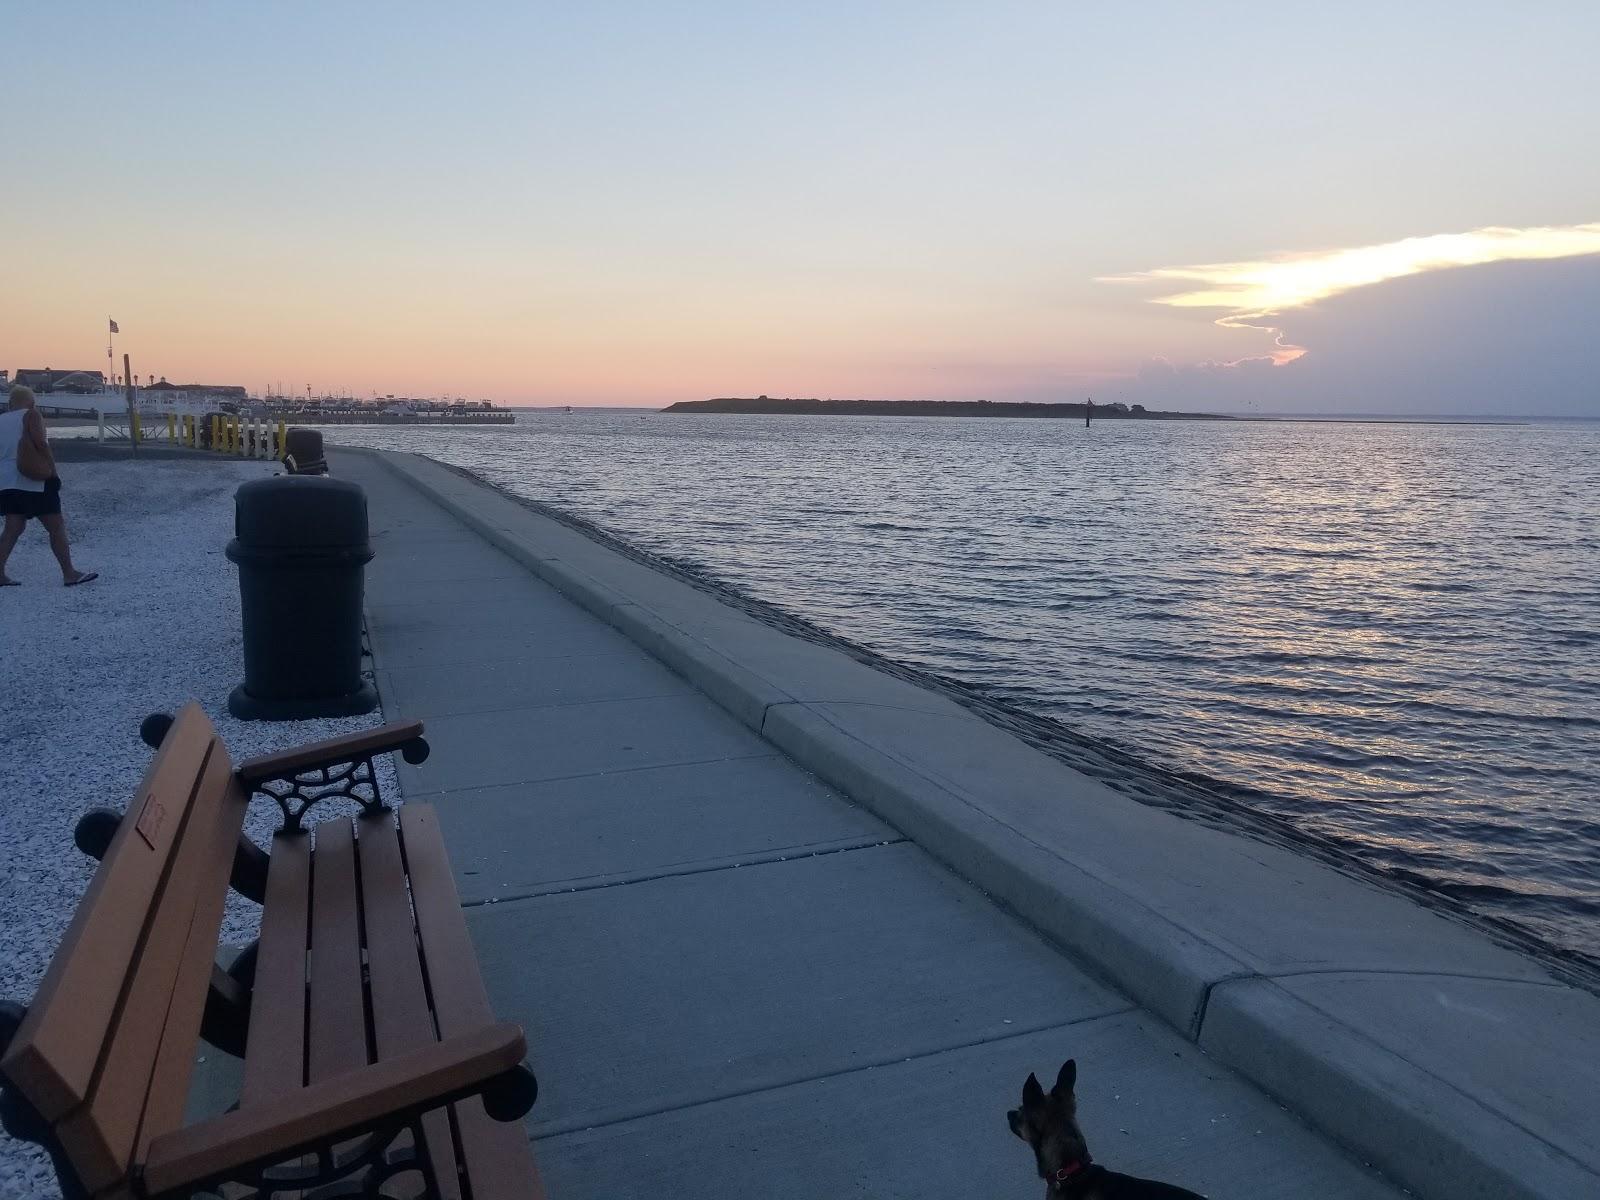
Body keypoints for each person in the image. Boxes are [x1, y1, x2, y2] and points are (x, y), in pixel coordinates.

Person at [0, 385, 97, 587]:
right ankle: (69, 573)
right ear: (32, 402)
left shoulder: (1, 420)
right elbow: (41, 443)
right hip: (33, 479)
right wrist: (52, 470)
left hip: (7, 481)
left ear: (10, 404)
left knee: (13, 528)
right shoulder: (32, 415)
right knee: (56, 526)